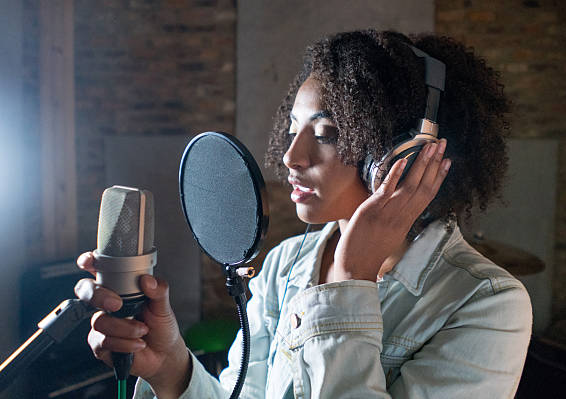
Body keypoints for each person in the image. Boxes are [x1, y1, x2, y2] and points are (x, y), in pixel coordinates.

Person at [74, 30, 532, 398]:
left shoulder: (487, 304)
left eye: (327, 133)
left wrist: (350, 283)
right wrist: (170, 366)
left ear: (403, 155)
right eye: (293, 130)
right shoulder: (284, 265)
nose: (291, 156)